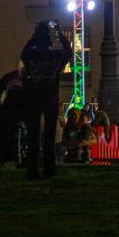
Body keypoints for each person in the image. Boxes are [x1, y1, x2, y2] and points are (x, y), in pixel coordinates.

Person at [21, 20, 72, 179]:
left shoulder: (31, 54)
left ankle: (32, 169)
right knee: (50, 136)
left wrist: (33, 39)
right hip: (50, 98)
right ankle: (49, 169)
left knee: (33, 135)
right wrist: (59, 33)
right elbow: (68, 52)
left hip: (33, 97)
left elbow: (23, 53)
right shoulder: (55, 56)